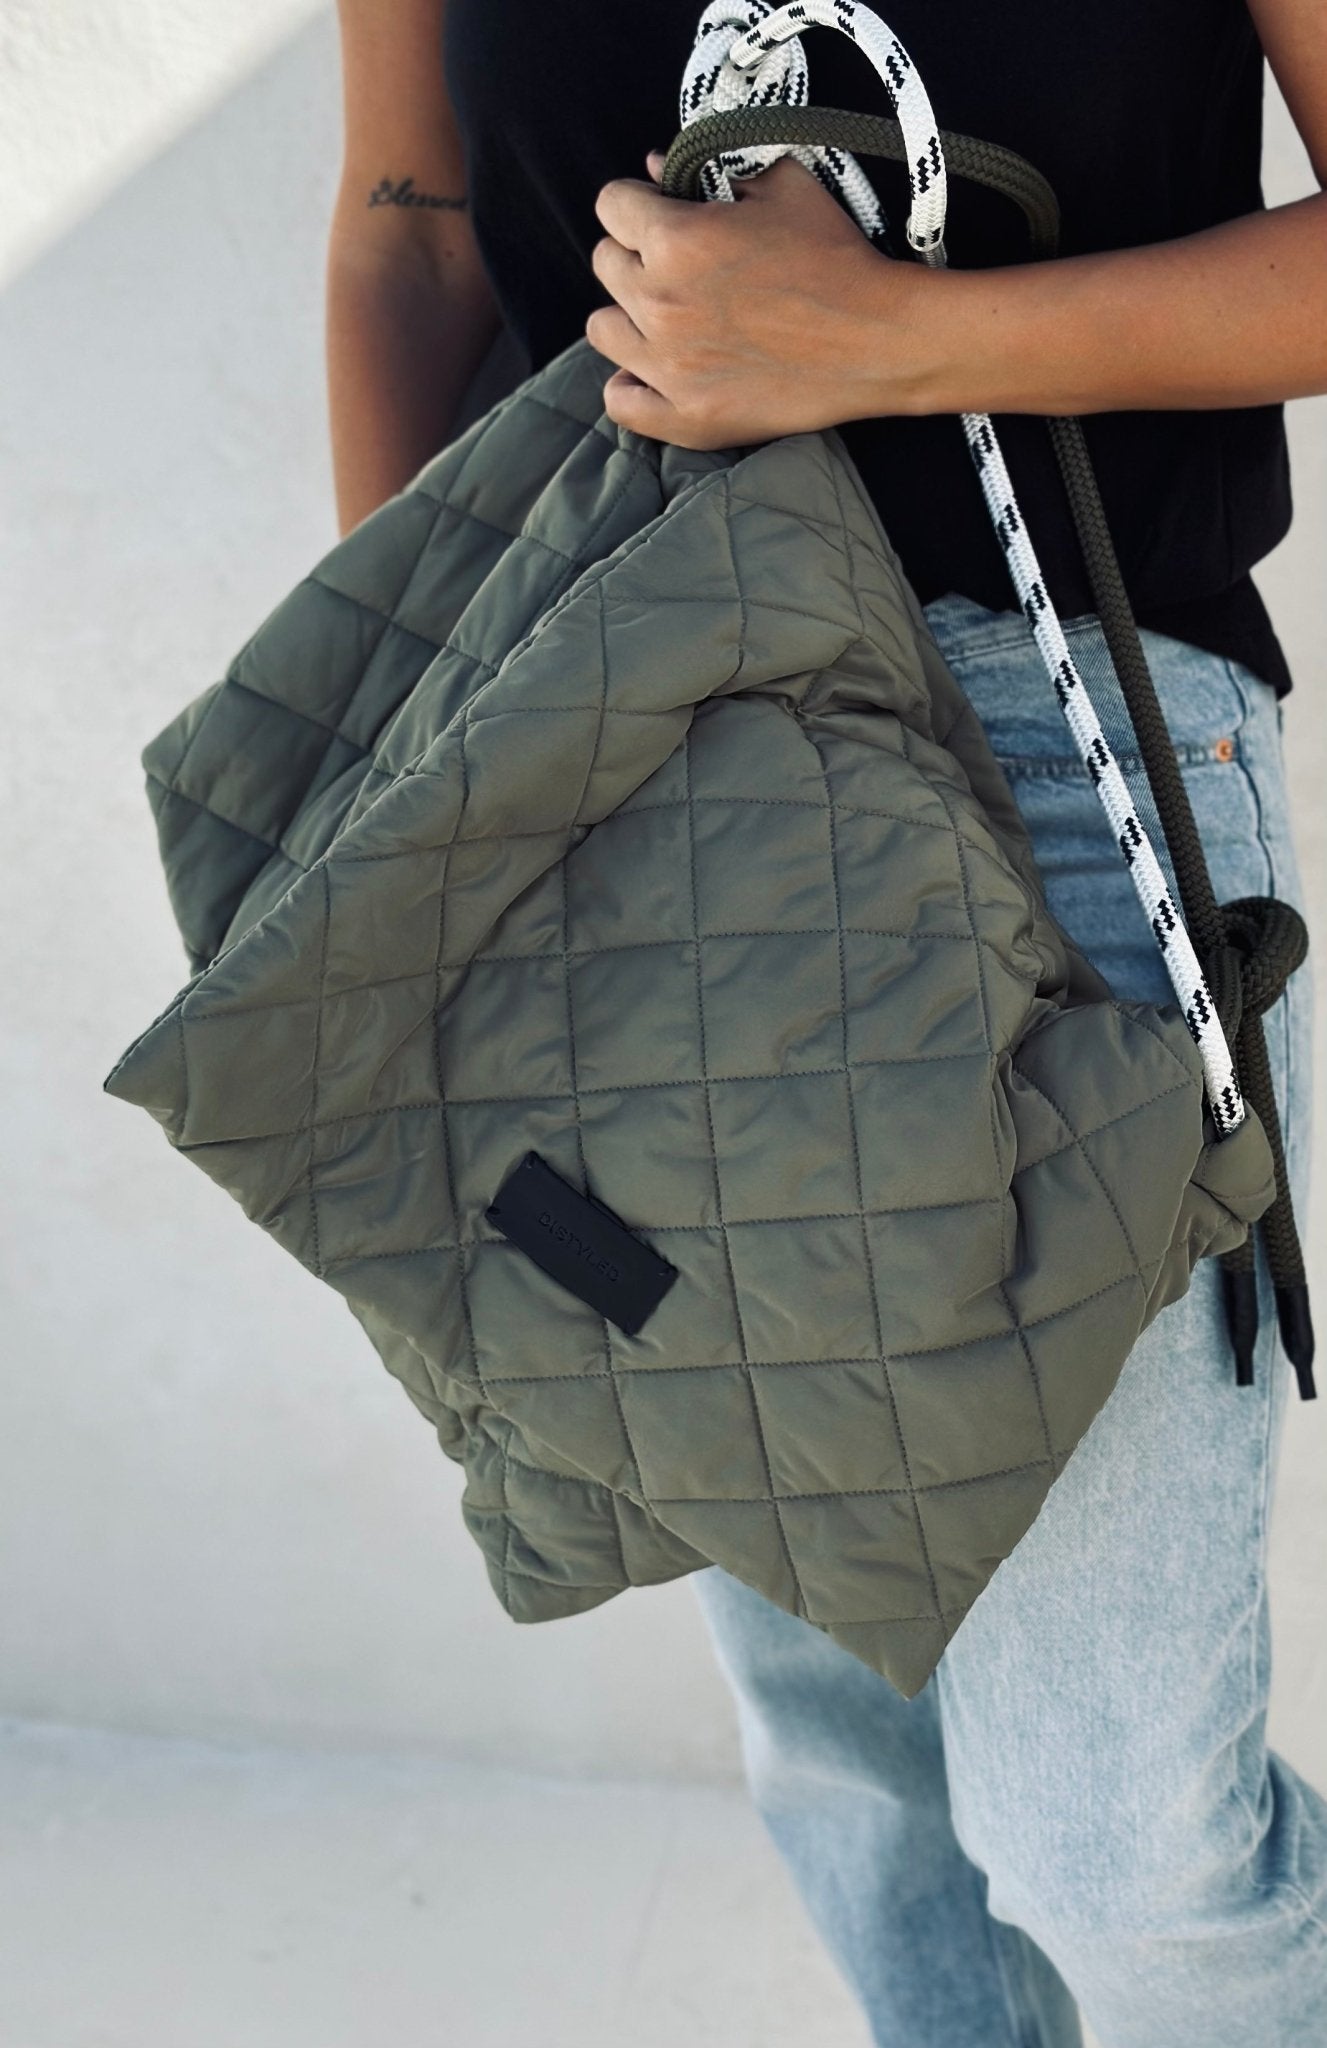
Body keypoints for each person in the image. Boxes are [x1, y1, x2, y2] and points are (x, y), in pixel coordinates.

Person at [326, 4, 1327, 2042]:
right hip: (609, 762)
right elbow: (408, 231)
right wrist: (408, 771)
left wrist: (896, 342)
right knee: (856, 1761)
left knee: (1114, 1841)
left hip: (1070, 754)